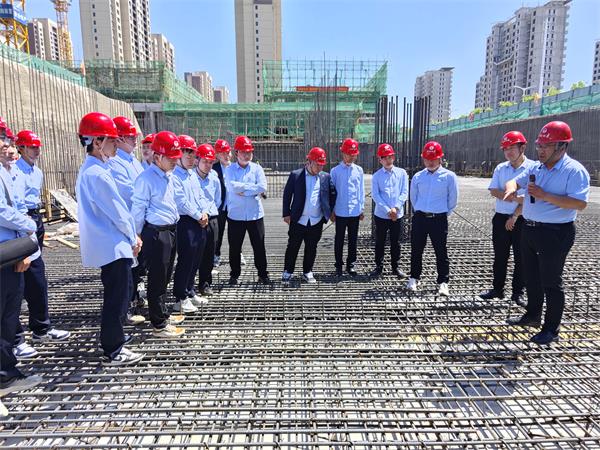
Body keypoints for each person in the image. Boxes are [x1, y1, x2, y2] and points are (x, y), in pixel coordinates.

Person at [504, 121, 590, 345]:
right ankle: (532, 315)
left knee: (550, 281)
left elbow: (579, 203)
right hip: (530, 229)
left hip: (555, 232)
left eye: (546, 146)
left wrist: (544, 195)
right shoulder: (537, 168)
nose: (541, 150)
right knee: (531, 276)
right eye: (539, 145)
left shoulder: (574, 171)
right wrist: (511, 189)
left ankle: (551, 328)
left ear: (562, 146)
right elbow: (515, 181)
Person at [75, 112, 144, 366]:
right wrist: (133, 237)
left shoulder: (94, 170)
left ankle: (115, 339)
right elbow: (118, 212)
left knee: (118, 296)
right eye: (112, 140)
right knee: (117, 299)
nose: (116, 144)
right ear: (97, 141)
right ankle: (113, 349)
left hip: (109, 244)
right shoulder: (98, 174)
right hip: (112, 245)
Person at [13, 130, 70, 358]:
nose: (36, 151)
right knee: (16, 280)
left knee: (37, 275)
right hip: (20, 220)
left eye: (37, 147)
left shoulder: (36, 171)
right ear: (21, 148)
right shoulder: (14, 171)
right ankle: (15, 338)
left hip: (35, 218)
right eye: (31, 147)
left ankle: (41, 327)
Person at [0, 117, 44, 397]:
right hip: (5, 252)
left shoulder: (8, 171)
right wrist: (28, 226)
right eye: (2, 139)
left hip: (11, 249)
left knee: (9, 314)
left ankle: (7, 373)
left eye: (7, 139)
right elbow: (3, 211)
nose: (7, 145)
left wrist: (24, 248)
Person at [131, 131, 185, 338]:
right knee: (156, 278)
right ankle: (159, 324)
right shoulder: (146, 179)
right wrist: (136, 235)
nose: (174, 161)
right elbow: (138, 210)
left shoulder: (168, 176)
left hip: (170, 231)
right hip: (156, 234)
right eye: (171, 158)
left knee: (165, 277)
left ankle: (162, 313)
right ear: (157, 156)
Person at [479, 131, 534, 306]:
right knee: (500, 256)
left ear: (522, 148)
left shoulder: (533, 168)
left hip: (522, 219)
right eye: (505, 149)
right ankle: (497, 289)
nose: (508, 152)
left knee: (521, 258)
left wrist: (515, 215)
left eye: (512, 148)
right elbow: (493, 190)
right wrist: (514, 197)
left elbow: (531, 199)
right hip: (500, 218)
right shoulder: (501, 168)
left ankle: (518, 293)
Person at [407, 141, 458, 297]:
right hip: (420, 218)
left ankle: (443, 282)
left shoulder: (449, 176)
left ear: (440, 158)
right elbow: (413, 198)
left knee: (441, 251)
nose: (430, 162)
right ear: (423, 159)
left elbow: (453, 199)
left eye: (434, 158)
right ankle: (414, 277)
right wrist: (420, 210)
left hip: (439, 219)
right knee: (416, 249)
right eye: (427, 159)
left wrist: (443, 213)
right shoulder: (418, 176)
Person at [108, 117, 146, 325]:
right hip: (125, 223)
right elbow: (129, 193)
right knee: (125, 268)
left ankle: (133, 301)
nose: (135, 140)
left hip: (138, 220)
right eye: (131, 137)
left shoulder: (133, 161)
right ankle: (125, 311)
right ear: (120, 138)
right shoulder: (115, 163)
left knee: (136, 266)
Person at [281, 147, 336, 283]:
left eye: (322, 165)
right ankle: (288, 271)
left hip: (316, 220)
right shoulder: (296, 175)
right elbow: (287, 195)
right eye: (317, 164)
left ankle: (307, 271)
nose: (320, 167)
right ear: (309, 162)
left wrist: (329, 211)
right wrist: (286, 213)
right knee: (293, 246)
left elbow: (332, 194)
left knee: (312, 247)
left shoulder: (325, 177)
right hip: (298, 219)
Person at [224, 135, 270, 285]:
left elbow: (262, 187)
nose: (246, 155)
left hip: (255, 215)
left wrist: (243, 191)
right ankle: (234, 275)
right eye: (243, 152)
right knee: (235, 247)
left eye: (249, 152)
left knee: (259, 246)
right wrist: (252, 189)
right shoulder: (229, 169)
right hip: (236, 215)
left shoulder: (257, 169)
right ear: (236, 152)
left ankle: (263, 274)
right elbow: (232, 187)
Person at [171, 135, 207, 314]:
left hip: (199, 220)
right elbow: (181, 201)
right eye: (188, 155)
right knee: (185, 260)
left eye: (194, 155)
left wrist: (204, 212)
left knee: (196, 258)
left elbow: (200, 195)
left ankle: (190, 290)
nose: (192, 159)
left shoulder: (192, 174)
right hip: (185, 221)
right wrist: (198, 215)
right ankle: (180, 297)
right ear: (179, 155)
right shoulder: (174, 175)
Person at [370, 143, 409, 278]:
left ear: (393, 157)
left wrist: (396, 208)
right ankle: (378, 267)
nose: (388, 160)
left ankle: (395, 267)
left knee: (396, 242)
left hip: (397, 214)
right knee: (380, 242)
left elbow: (404, 192)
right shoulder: (376, 176)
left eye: (390, 156)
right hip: (381, 215)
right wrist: (388, 210)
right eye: (384, 157)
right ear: (380, 160)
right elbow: (376, 195)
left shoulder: (402, 173)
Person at [330, 138, 364, 277]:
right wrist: (332, 210)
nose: (351, 156)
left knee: (353, 239)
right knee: (339, 239)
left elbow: (360, 190)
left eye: (353, 154)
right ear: (343, 153)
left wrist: (361, 208)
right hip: (340, 211)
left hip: (354, 210)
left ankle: (351, 264)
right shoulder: (335, 171)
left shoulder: (359, 170)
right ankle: (338, 264)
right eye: (349, 154)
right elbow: (332, 192)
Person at [212, 139, 246, 267]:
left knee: (236, 233)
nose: (226, 156)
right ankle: (216, 254)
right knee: (218, 232)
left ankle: (238, 254)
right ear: (217, 155)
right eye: (222, 153)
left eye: (227, 152)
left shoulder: (236, 167)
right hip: (220, 206)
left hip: (235, 206)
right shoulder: (213, 169)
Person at [195, 143, 221, 295]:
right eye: (205, 161)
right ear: (197, 160)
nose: (208, 165)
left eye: (211, 162)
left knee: (209, 254)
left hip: (211, 219)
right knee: (193, 253)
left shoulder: (214, 178)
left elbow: (217, 199)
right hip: (195, 219)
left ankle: (205, 284)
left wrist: (209, 212)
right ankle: (188, 285)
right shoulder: (190, 177)